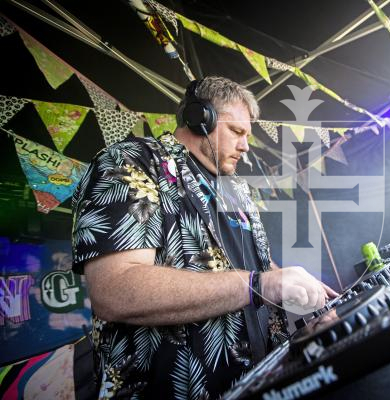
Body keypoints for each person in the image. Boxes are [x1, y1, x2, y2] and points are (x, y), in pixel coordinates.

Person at [71, 76, 337, 399]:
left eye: (247, 135)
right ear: (201, 119)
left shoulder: (236, 189)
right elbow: (114, 290)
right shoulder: (130, 162)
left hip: (263, 382)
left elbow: (261, 271)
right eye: (237, 132)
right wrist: (258, 286)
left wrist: (301, 319)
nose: (245, 145)